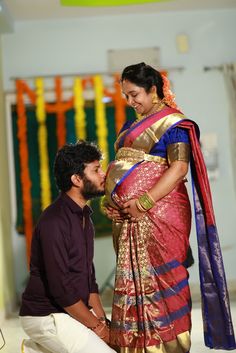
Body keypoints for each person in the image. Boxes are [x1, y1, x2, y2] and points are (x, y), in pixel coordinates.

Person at [103, 62, 236, 353]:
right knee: (136, 285)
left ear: (153, 90)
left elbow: (178, 168)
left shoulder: (174, 124)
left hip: (162, 216)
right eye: (126, 95)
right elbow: (121, 169)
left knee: (167, 279)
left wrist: (144, 202)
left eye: (135, 94)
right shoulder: (129, 126)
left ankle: (172, 345)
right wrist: (109, 202)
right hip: (130, 221)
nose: (130, 101)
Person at [19, 141, 116, 353]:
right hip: (46, 316)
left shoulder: (85, 218)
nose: (103, 174)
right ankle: (40, 343)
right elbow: (61, 289)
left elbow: (89, 280)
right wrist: (98, 329)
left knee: (115, 344)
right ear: (76, 179)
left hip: (68, 311)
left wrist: (102, 321)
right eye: (96, 170)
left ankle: (39, 350)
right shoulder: (53, 221)